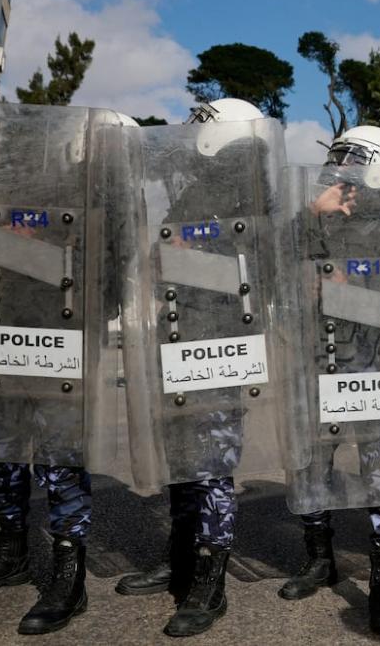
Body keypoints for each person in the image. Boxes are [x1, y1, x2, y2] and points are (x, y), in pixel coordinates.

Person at [0, 108, 135, 635]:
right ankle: (9, 554)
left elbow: (112, 262)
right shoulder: (9, 181)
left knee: (60, 454)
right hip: (7, 330)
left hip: (64, 337)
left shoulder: (94, 189)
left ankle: (68, 574)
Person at [114, 98, 270, 638]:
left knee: (211, 466)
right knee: (182, 458)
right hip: (179, 340)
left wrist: (177, 254)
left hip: (218, 348)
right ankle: (180, 559)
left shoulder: (247, 193)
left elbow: (252, 274)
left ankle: (211, 579)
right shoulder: (195, 188)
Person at [279, 125, 380, 636]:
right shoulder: (317, 215)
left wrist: (345, 287)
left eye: (350, 158)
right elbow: (275, 261)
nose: (338, 166)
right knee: (314, 464)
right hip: (319, 360)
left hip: (373, 368)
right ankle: (319, 559)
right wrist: (313, 215)